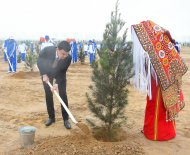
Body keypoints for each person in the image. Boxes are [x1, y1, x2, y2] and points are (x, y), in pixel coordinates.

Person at [132, 20, 188, 141]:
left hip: (160, 84)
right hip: (156, 83)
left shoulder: (161, 49)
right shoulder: (159, 48)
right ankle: (156, 131)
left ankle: (157, 133)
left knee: (158, 106)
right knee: (154, 105)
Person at [37, 41, 72, 129]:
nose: (64, 56)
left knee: (63, 94)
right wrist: (44, 74)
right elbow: (39, 61)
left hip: (60, 74)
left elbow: (63, 72)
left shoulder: (68, 58)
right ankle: (51, 117)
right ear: (57, 49)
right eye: (63, 54)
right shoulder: (47, 51)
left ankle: (65, 119)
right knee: (48, 94)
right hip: (47, 73)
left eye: (66, 54)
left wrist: (56, 84)